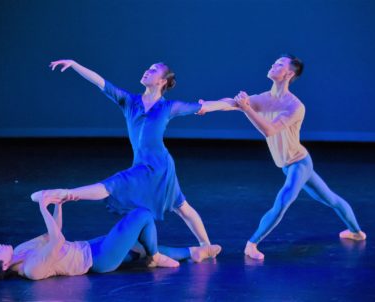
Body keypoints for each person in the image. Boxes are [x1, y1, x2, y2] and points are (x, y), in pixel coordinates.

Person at [31, 60, 231, 247]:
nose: (147, 71)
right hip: (143, 163)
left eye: (153, 70)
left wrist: (236, 104)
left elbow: (208, 106)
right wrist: (75, 65)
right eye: (148, 68)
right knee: (182, 207)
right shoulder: (129, 101)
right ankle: (206, 246)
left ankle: (65, 194)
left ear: (162, 81)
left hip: (160, 165)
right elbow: (101, 82)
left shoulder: (169, 107)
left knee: (125, 186)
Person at [199, 54, 366, 260]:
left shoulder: (295, 106)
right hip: (287, 164)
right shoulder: (264, 98)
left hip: (299, 162)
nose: (273, 65)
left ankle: (252, 244)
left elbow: (269, 130)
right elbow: (232, 103)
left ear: (289, 73)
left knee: (284, 200)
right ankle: (357, 233)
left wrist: (247, 108)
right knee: (330, 198)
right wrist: (208, 105)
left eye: (279, 64)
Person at [0, 195, 222, 280]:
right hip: (98, 259)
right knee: (142, 215)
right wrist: (42, 208)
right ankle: (157, 256)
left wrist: (58, 204)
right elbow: (57, 242)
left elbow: (52, 233)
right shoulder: (31, 269)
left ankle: (194, 252)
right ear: (5, 265)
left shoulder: (21, 249)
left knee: (140, 248)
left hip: (90, 245)